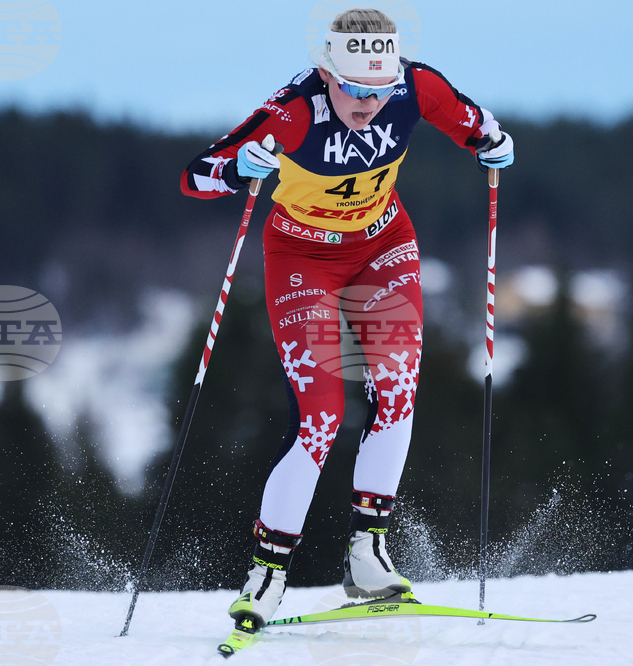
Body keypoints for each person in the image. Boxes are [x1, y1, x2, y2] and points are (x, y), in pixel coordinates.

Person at [180, 8, 513, 631]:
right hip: (301, 256)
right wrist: (235, 171)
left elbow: (475, 123)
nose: (367, 104)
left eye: (379, 91)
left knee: (396, 390)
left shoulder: (416, 86)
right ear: (327, 73)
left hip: (381, 245)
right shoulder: (293, 111)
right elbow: (194, 174)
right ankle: (267, 574)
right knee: (321, 417)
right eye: (354, 89)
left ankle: (367, 557)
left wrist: (492, 143)